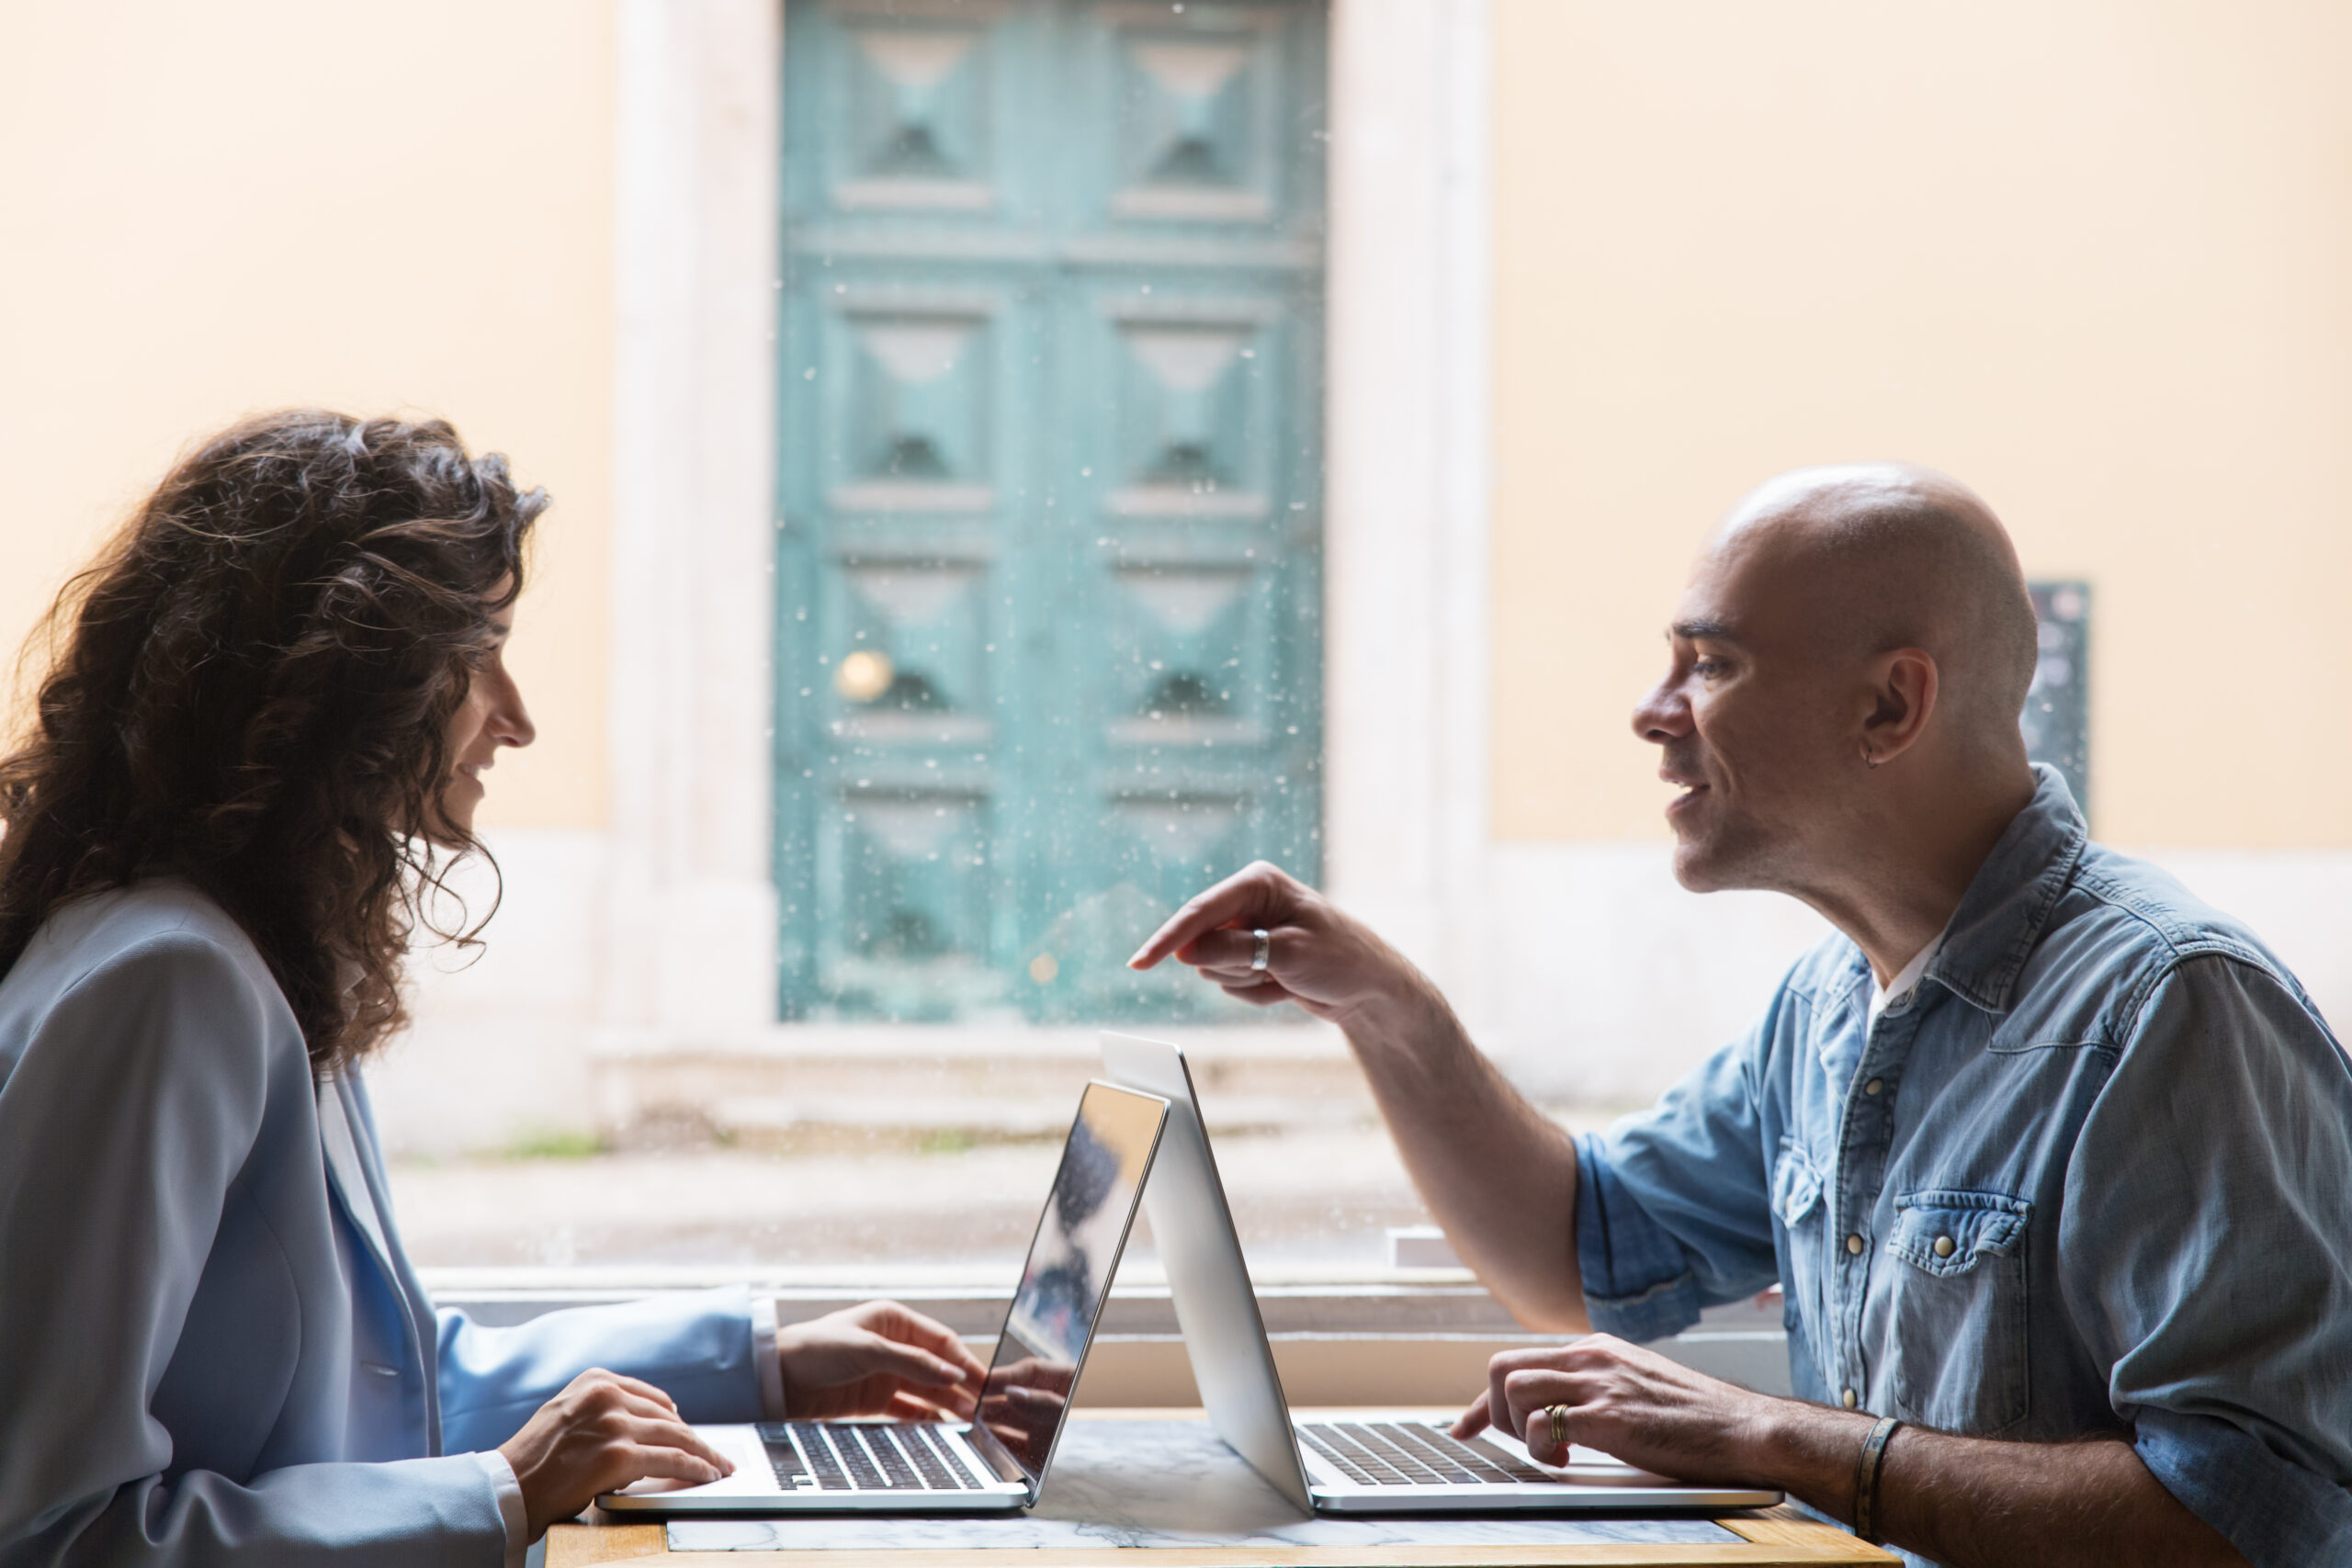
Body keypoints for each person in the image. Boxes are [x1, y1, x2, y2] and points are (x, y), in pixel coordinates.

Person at [1132, 465, 2352, 1568]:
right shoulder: (1824, 1005)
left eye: (1711, 664)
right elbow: (1580, 1250)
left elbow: (2241, 1518)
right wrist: (1387, 1006)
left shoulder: (2176, 1012)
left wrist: (1775, 1436)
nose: (1654, 710)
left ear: (1890, 706)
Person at [0, 412, 988, 1566]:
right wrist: (503, 1494)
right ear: (346, 684)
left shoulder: (245, 948)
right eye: (480, 658)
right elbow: (50, 1535)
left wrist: (761, 1360)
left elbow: (391, 1382)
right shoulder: (170, 985)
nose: (517, 719)